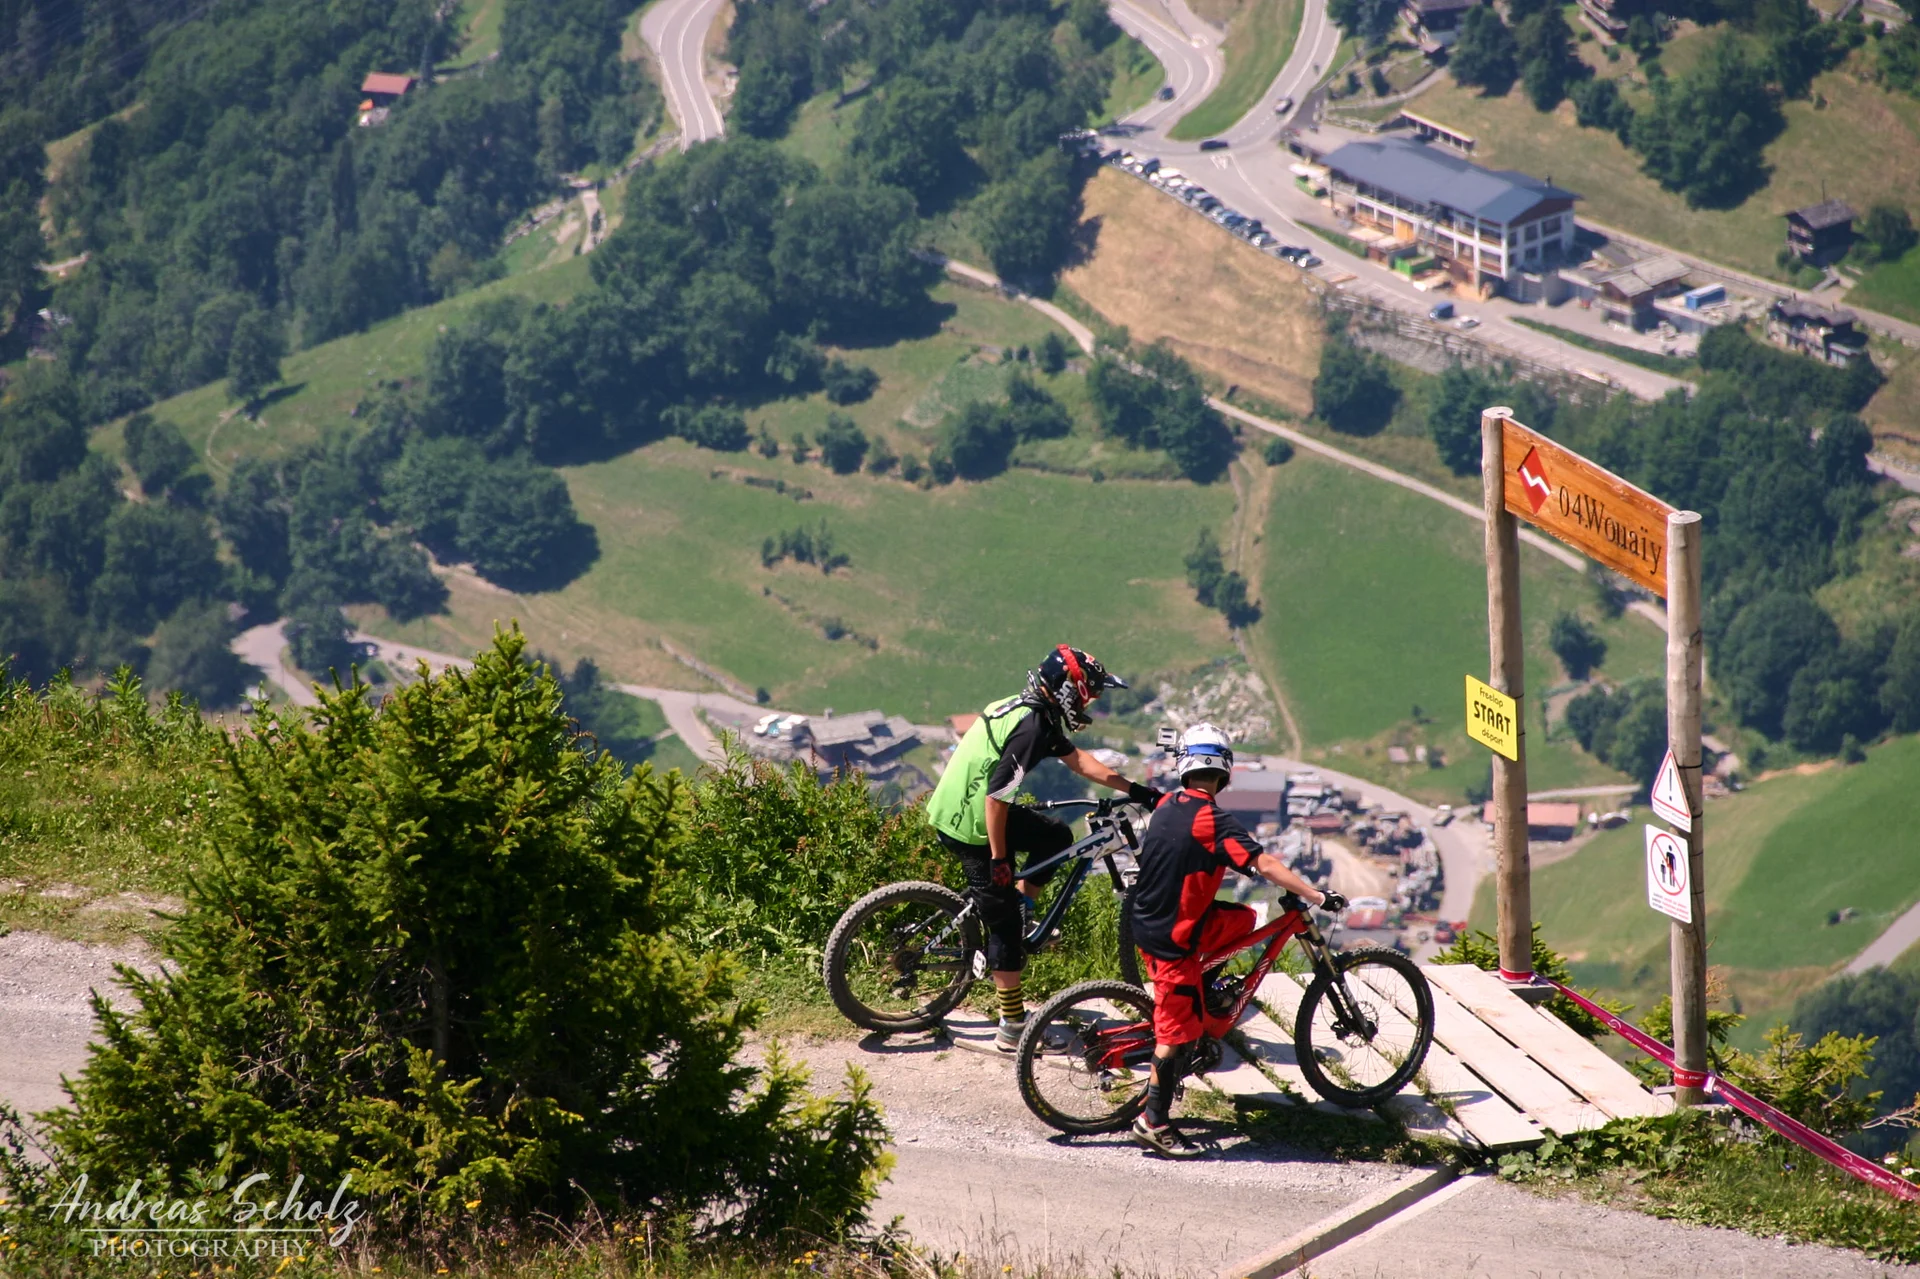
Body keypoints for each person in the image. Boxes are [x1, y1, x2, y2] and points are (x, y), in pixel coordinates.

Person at [925, 645, 1163, 1050]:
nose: (1094, 699)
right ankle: (1012, 1027)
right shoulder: (1033, 728)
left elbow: (1081, 763)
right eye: (1090, 691)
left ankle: (1024, 905)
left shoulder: (1028, 709)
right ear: (1069, 689)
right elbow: (997, 799)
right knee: (1004, 926)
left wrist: (1137, 790)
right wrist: (1000, 859)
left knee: (1055, 836)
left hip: (962, 807)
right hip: (971, 822)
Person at [1126, 723, 1345, 1158]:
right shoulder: (1214, 820)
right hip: (1174, 942)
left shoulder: (1168, 803)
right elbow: (1262, 862)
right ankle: (1153, 1122)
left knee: (1245, 917)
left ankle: (1202, 990)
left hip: (1150, 920)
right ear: (1224, 772)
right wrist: (1315, 894)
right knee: (1175, 1037)